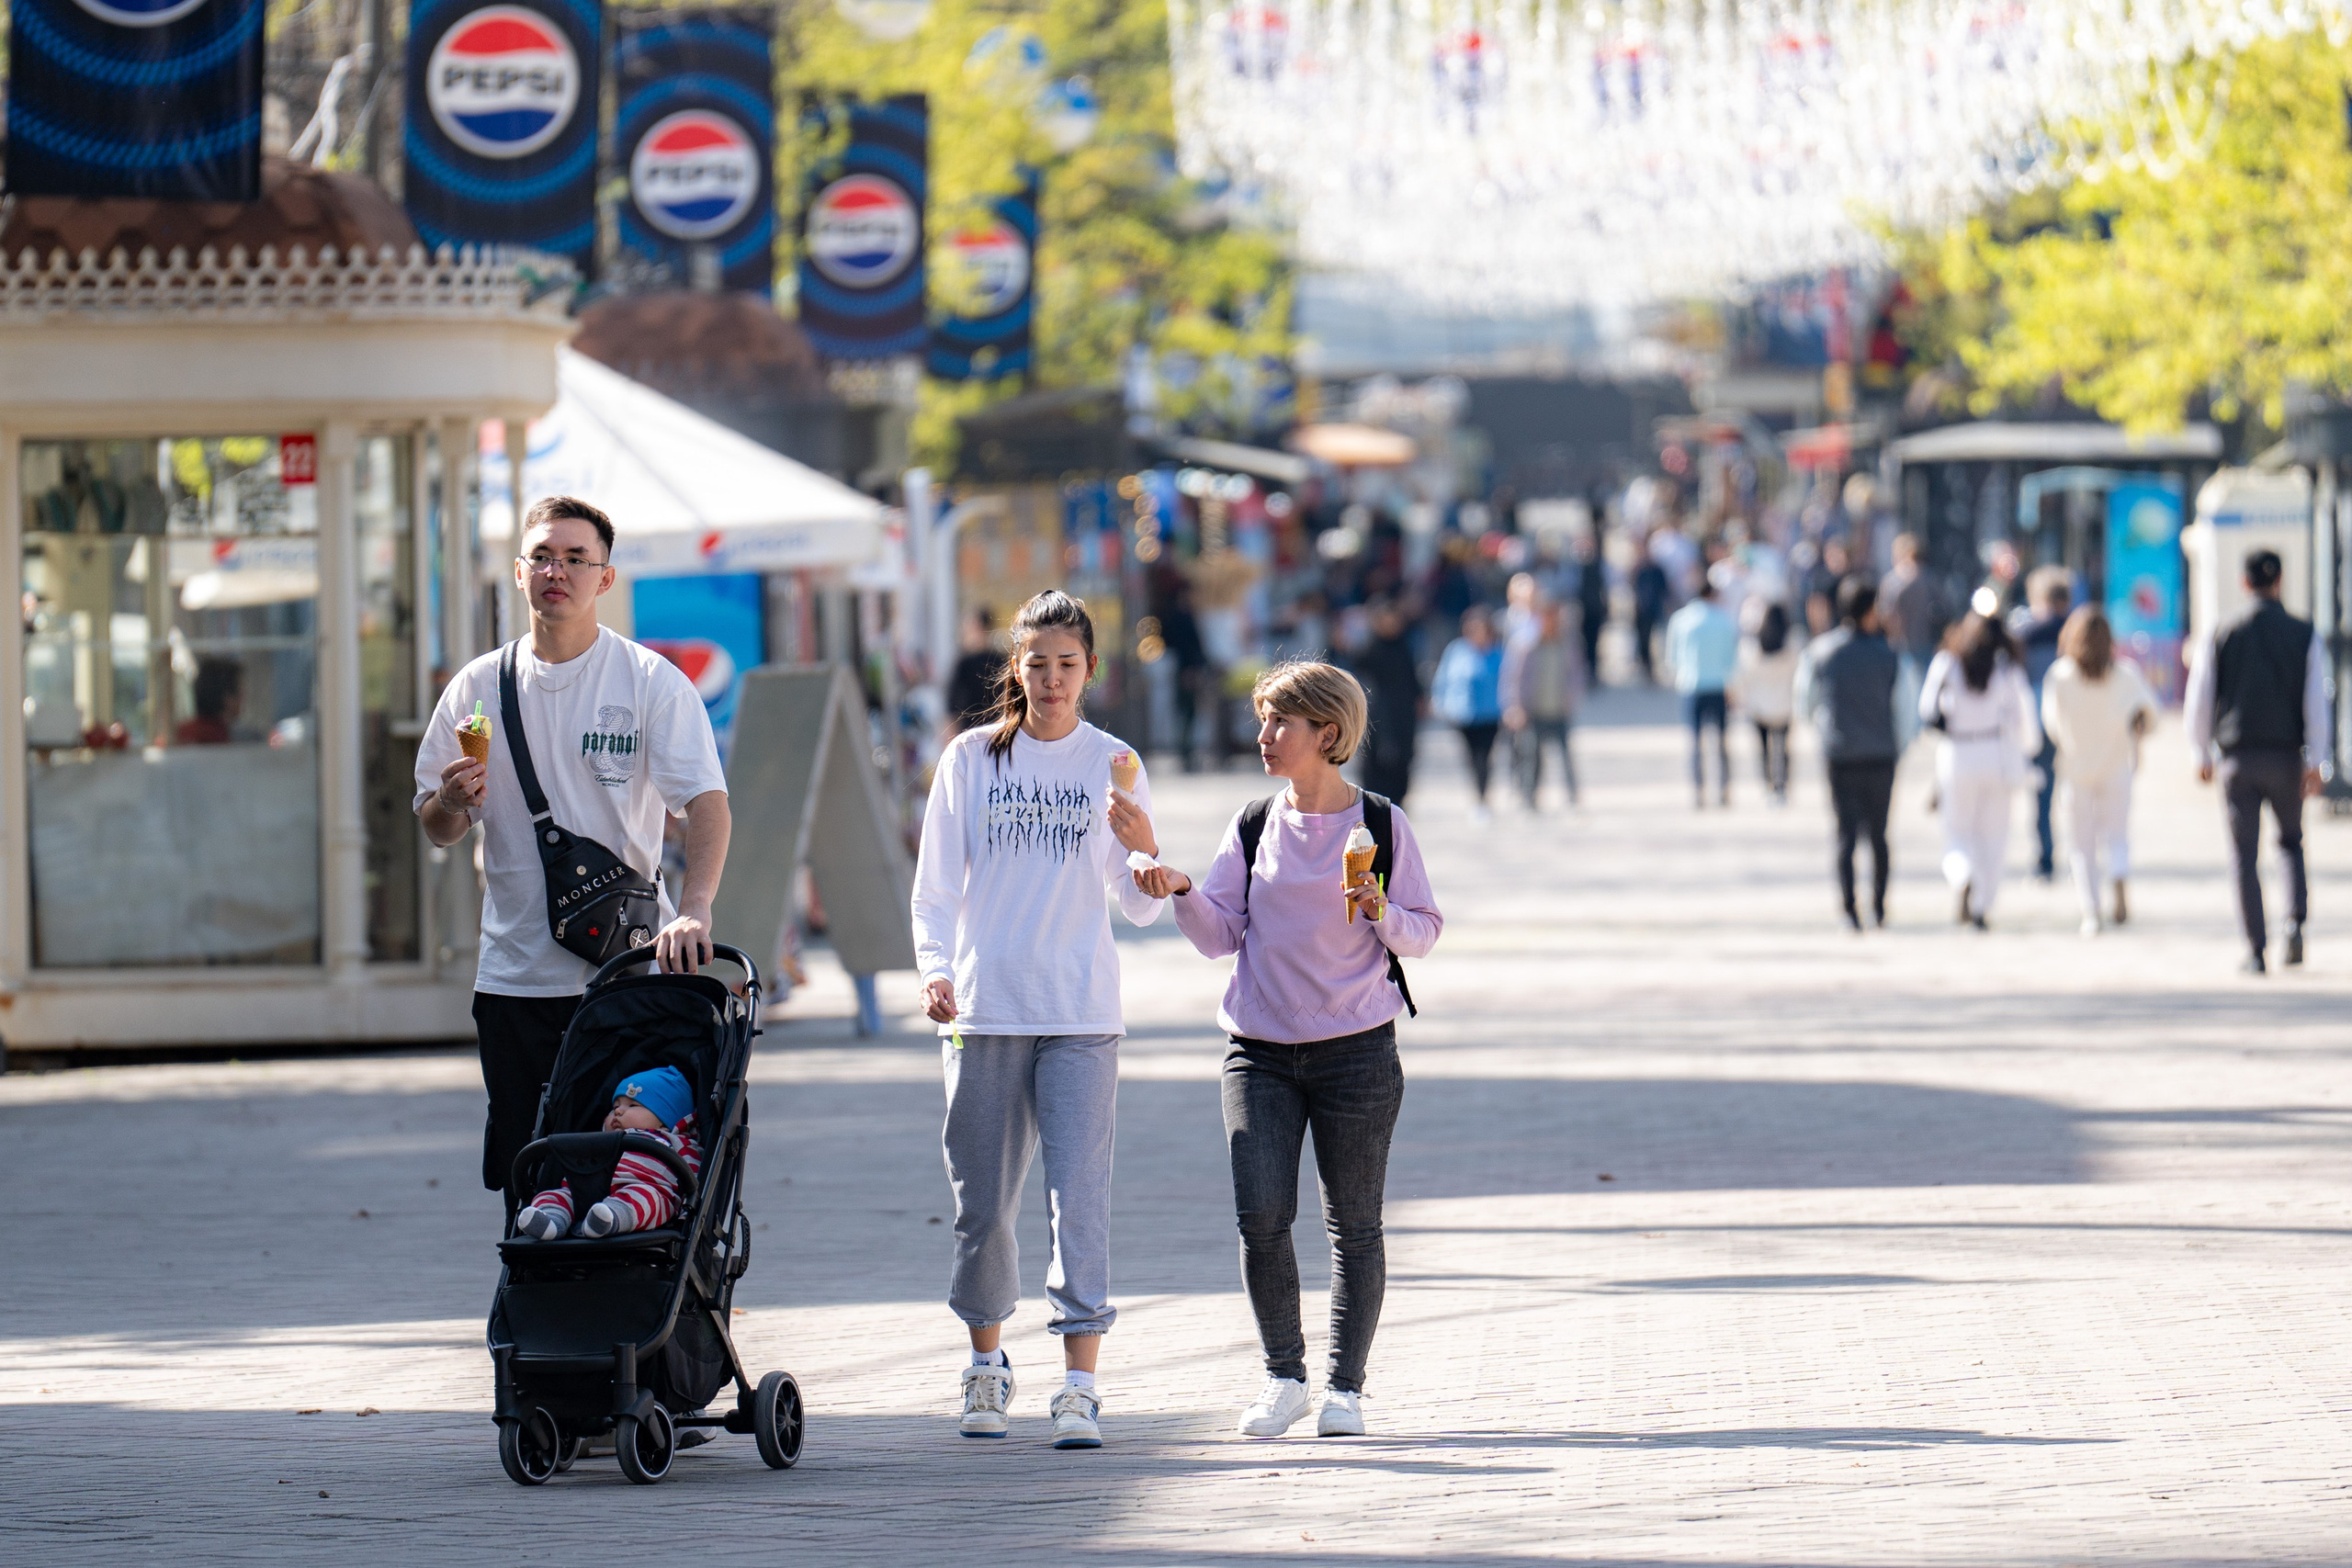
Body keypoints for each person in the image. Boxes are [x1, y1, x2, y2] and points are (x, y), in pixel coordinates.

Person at [1134, 661, 1442, 1439]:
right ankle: (1283, 1376)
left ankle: (1345, 1388)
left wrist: (1381, 911)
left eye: (1281, 723)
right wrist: (1179, 890)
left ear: (1327, 734)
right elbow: (1220, 936)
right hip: (1260, 1050)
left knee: (1356, 1224)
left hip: (1357, 1051)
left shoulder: (1380, 822)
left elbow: (1425, 928)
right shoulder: (1252, 823)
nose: (1264, 736)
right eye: (1264, 720)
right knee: (1261, 1215)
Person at [416, 496, 730, 1213]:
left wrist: (697, 908)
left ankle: (618, 1313)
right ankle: (534, 1315)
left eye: (575, 558)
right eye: (542, 558)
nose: (556, 570)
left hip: (622, 976)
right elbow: (436, 827)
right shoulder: (476, 688)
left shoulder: (649, 682)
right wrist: (453, 801)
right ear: (519, 574)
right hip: (513, 978)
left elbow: (707, 804)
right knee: (528, 1170)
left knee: (622, 1164)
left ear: (605, 578)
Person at [910, 589, 1166, 1450]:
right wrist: (936, 969)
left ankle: (1081, 1385)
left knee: (1078, 1199)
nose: (1052, 679)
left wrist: (1146, 856)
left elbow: (1134, 904)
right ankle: (986, 1366)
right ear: (1015, 668)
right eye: (1037, 662)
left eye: (1068, 663)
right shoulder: (973, 759)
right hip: (986, 1010)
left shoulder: (1116, 761)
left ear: (1090, 668)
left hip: (1081, 1013)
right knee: (983, 1204)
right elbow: (937, 884)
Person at [2184, 548, 2329, 973]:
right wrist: (2316, 760)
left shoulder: (2223, 631)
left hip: (2237, 759)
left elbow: (2201, 696)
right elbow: (2316, 702)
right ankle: (2295, 923)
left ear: (2245, 583)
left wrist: (2199, 751)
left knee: (2243, 855)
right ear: (2279, 581)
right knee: (2290, 842)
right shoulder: (2304, 633)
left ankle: (2255, 949)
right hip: (2286, 757)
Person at [1919, 612, 2041, 930]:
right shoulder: (2007, 670)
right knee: (1994, 839)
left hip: (1958, 755)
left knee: (1957, 833)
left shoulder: (1947, 663)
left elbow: (1927, 709)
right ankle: (1982, 907)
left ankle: (1961, 876)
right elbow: (2024, 719)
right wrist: (2028, 751)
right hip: (1996, 756)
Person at [2041, 607, 2156, 938]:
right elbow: (2149, 715)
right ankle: (2119, 876)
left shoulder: (2060, 675)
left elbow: (2051, 726)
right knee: (2117, 835)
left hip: (2076, 769)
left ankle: (2090, 911)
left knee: (2082, 844)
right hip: (2117, 766)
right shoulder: (2126, 675)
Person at [1796, 580, 1901, 929]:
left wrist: (1827, 729)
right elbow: (1906, 709)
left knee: (1845, 834)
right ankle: (1879, 907)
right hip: (1881, 754)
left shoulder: (1822, 652)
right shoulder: (1889, 655)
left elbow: (1805, 704)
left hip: (1839, 753)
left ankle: (1849, 911)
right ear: (1870, 611)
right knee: (1879, 834)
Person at [513, 1066, 702, 1241]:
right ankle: (551, 1220)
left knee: (646, 1199)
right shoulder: (602, 1138)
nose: (618, 1111)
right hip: (585, 1191)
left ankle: (608, 1220)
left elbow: (693, 1178)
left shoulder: (676, 1142)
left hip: (646, 1187)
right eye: (615, 1106)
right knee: (557, 1195)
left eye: (633, 1106)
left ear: (664, 1120)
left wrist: (687, 1213)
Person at [2012, 568, 2074, 881]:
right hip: (2076, 723)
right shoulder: (2077, 632)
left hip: (2037, 723)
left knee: (2042, 794)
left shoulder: (2025, 633)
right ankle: (2082, 856)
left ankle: (2046, 856)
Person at [1499, 600, 1585, 809]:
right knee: (1532, 758)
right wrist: (1514, 706)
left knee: (1565, 757)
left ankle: (1573, 797)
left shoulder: (1567, 644)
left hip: (1558, 709)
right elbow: (1513, 678)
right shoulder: (1526, 645)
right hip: (1533, 711)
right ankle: (1529, 797)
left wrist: (1572, 699)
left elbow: (1576, 674)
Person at [1666, 571, 1740, 807]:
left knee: (1695, 743)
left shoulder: (1681, 620)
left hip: (1692, 685)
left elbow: (1672, 658)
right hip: (1718, 686)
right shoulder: (1723, 619)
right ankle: (1724, 790)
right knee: (1721, 742)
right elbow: (1732, 659)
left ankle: (1698, 791)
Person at [1430, 606, 1506, 819]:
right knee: (1471, 758)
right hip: (1462, 715)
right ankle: (1478, 795)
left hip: (1490, 715)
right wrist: (1439, 702)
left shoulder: (1498, 652)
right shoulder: (1457, 650)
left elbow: (1508, 682)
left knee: (1484, 758)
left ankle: (1482, 798)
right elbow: (1443, 678)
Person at [1880, 533, 1945, 751]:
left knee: (1907, 690)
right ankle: (1923, 726)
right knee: (1925, 684)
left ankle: (1913, 730)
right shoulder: (1929, 578)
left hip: (1902, 643)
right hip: (1926, 640)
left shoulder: (1894, 581)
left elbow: (1887, 614)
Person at [1351, 601, 1422, 804]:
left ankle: (1398, 805)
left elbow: (1412, 676)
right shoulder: (1369, 648)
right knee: (1375, 762)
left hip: (1403, 713)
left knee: (1402, 760)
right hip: (1375, 713)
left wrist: (1420, 698)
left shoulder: (1403, 645)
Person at [1733, 601, 1799, 805]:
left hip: (1759, 707)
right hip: (1784, 705)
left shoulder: (1751, 648)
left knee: (1764, 749)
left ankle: (1768, 784)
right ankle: (1782, 785)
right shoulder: (1793, 645)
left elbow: (1742, 678)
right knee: (1784, 747)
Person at [944, 608, 1005, 734]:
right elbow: (952, 703)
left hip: (997, 730)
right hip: (969, 730)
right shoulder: (963, 663)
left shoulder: (1000, 661)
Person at [175, 658, 243, 745]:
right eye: (240, 693)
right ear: (227, 698)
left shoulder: (181, 733)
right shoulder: (223, 738)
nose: (242, 699)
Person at [1573, 536, 1611, 682]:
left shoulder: (1598, 566)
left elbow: (1604, 587)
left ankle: (1593, 672)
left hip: (1594, 609)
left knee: (1593, 642)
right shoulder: (1575, 567)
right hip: (1580, 611)